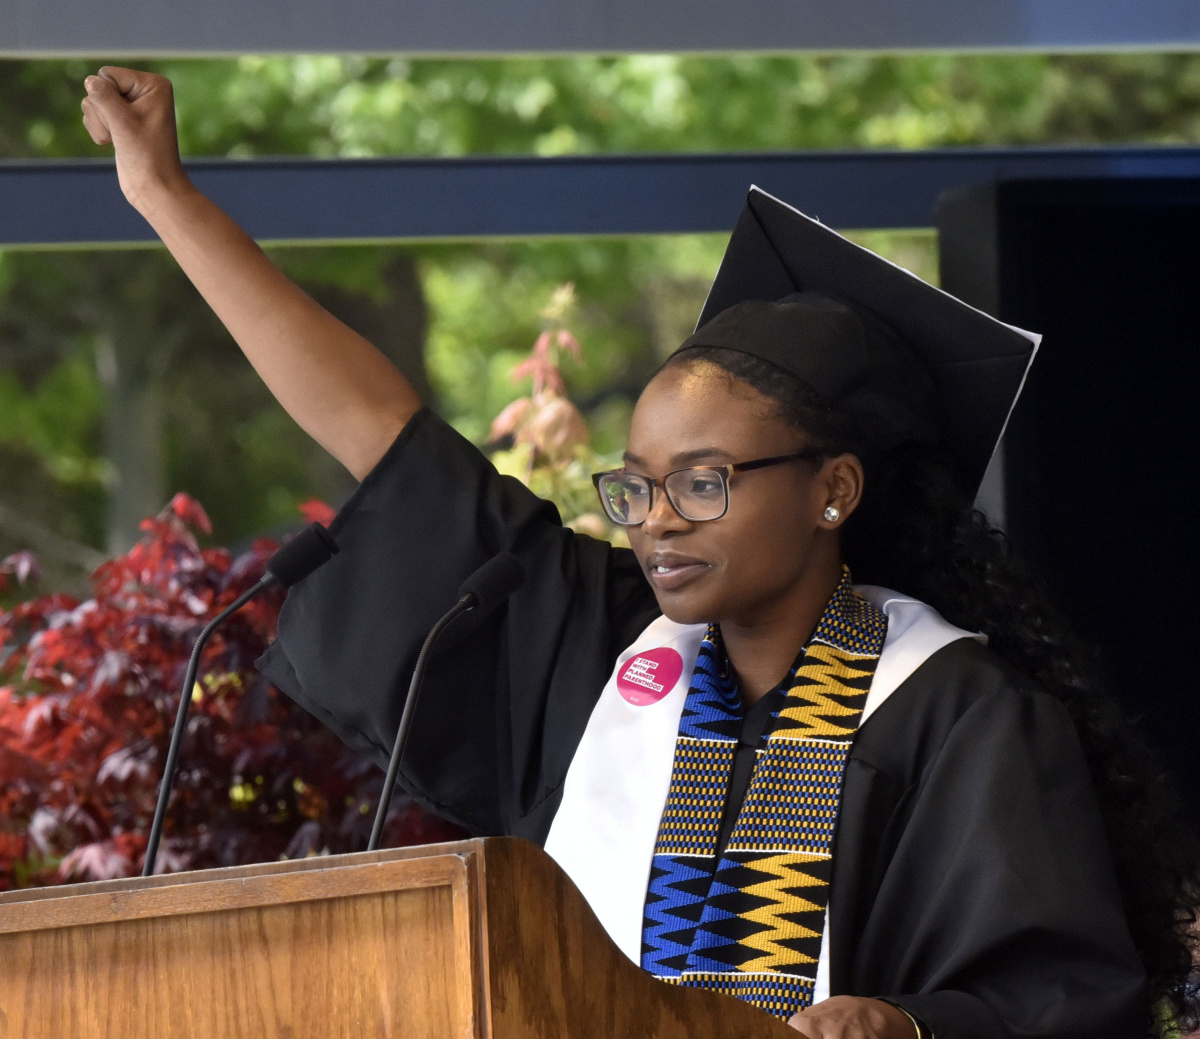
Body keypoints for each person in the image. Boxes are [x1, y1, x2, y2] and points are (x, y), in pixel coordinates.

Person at [79, 67, 1198, 1039]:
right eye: (636, 485)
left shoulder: (958, 711)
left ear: (833, 489)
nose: (655, 517)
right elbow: (382, 433)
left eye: (703, 482)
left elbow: (1060, 1000)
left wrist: (906, 1023)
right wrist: (165, 198)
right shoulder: (605, 650)